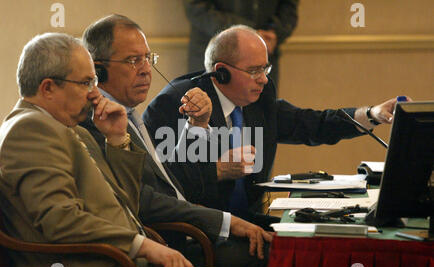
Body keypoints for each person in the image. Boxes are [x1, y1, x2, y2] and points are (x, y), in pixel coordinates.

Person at [0, 32, 249, 267]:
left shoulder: (69, 127)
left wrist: (116, 140)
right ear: (48, 88)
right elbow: (61, 221)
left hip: (114, 262)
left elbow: (126, 203)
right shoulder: (30, 129)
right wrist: (143, 246)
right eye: (86, 83)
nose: (93, 94)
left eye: (94, 81)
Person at [79, 14, 272, 267]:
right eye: (134, 61)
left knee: (289, 243)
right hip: (168, 241)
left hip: (188, 231)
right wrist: (227, 222)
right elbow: (144, 199)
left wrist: (197, 126)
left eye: (148, 58)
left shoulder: (130, 114)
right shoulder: (97, 123)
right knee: (273, 259)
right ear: (99, 71)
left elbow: (172, 180)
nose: (146, 70)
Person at [143, 24, 407, 227]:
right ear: (221, 72)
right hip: (204, 229)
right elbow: (161, 186)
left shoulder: (259, 99)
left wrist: (371, 114)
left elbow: (311, 123)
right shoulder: (177, 103)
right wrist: (218, 170)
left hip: (250, 218)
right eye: (255, 71)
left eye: (265, 69)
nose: (264, 80)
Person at [183, 0, 299, 87]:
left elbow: (289, 7)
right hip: (212, 54)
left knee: (261, 115)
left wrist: (275, 32)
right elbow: (196, 8)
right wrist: (250, 34)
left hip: (266, 52)